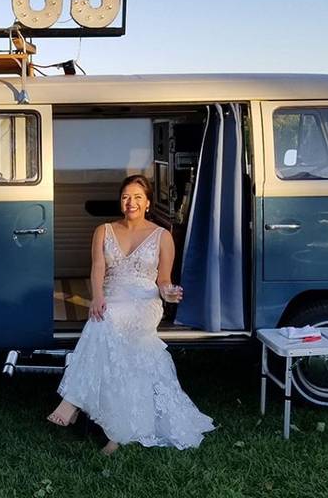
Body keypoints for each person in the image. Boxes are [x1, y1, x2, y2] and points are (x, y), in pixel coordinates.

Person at [47, 174, 215, 454]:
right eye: (126, 197)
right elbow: (98, 267)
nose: (131, 202)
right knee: (104, 319)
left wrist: (169, 293)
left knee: (105, 322)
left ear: (148, 203)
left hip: (144, 300)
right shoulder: (104, 230)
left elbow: (163, 279)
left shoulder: (162, 236)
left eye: (138, 197)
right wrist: (97, 297)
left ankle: (73, 402)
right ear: (121, 201)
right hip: (111, 296)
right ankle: (116, 433)